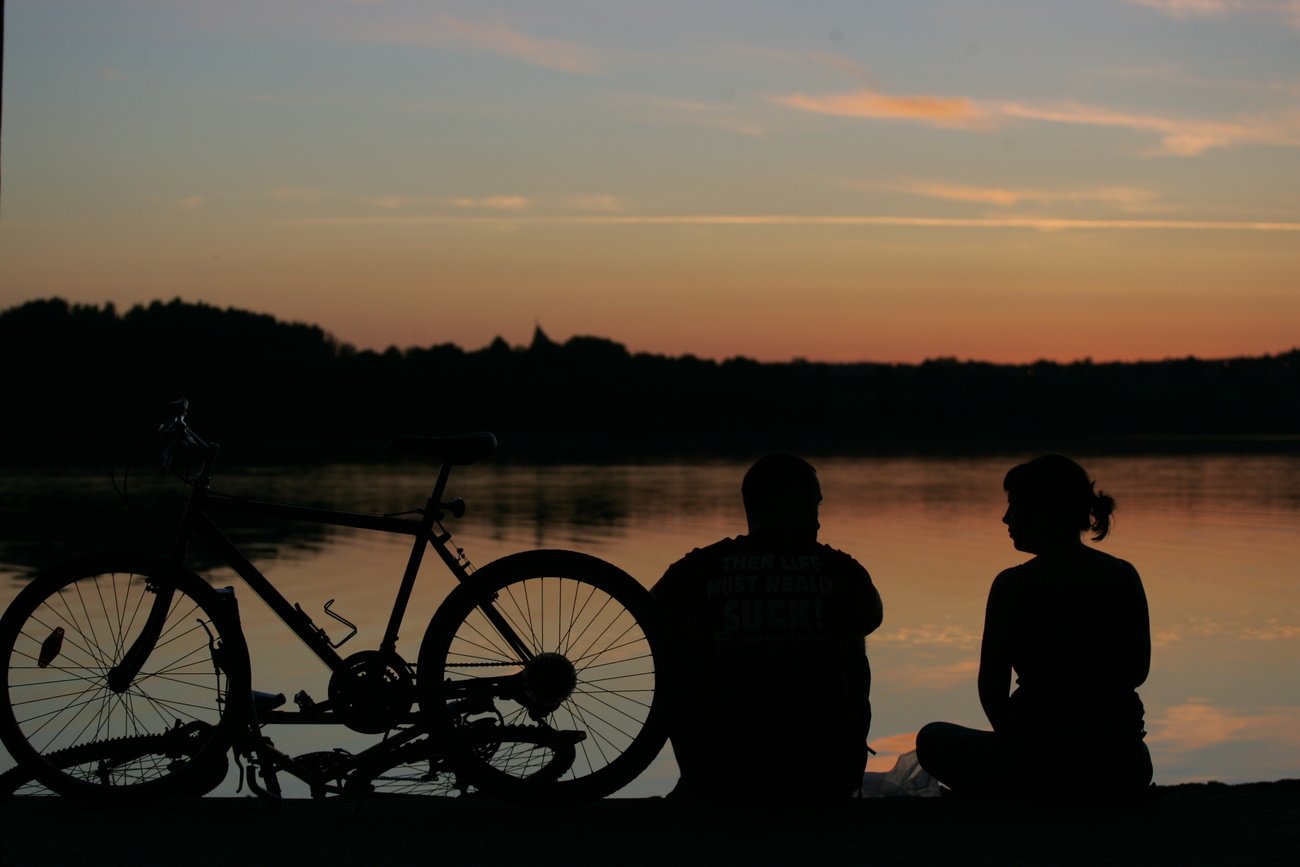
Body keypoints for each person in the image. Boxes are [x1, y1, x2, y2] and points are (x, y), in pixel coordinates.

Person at [915, 454, 1152, 799]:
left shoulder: (1014, 586)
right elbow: (1137, 671)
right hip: (1123, 763)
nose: (1006, 518)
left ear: (1045, 511)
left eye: (1015, 506)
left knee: (932, 739)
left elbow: (992, 689)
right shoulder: (1122, 575)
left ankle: (1025, 785)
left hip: (1040, 758)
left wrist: (1020, 749)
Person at [651, 453, 883, 800]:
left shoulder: (696, 569)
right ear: (795, 504)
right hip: (827, 774)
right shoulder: (841, 570)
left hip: (717, 771)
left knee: (676, 644)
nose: (818, 522)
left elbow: (646, 615)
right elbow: (871, 618)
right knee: (851, 642)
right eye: (813, 505)